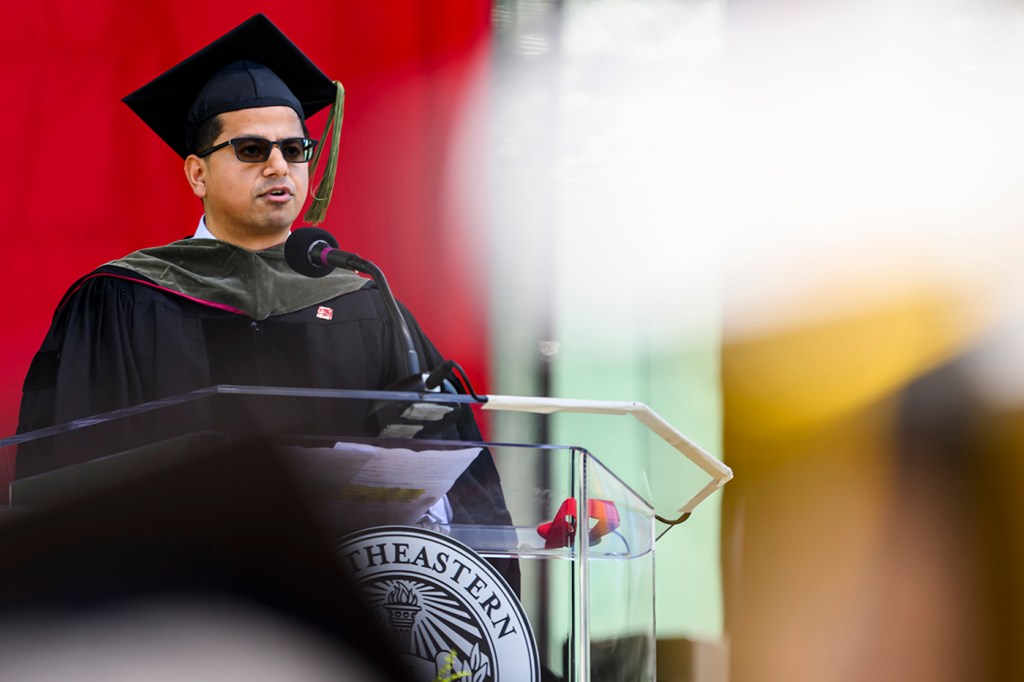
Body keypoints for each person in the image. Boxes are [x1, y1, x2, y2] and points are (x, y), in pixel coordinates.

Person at [15, 15, 512, 551]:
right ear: (197, 174)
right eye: (251, 150)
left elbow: (458, 488)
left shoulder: (364, 303)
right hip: (177, 607)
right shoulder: (123, 301)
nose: (279, 165)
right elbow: (65, 476)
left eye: (295, 150)